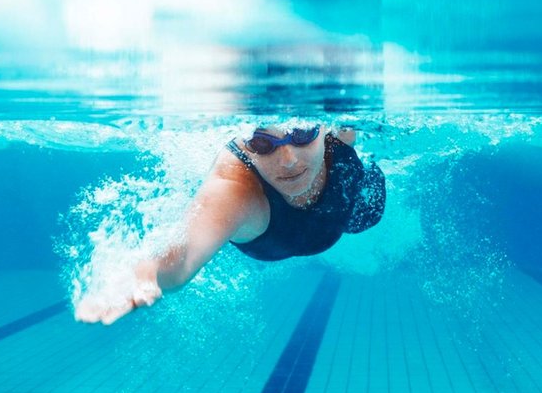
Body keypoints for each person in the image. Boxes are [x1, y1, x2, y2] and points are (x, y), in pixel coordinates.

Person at [74, 123, 385, 325]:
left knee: (368, 214)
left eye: (303, 134)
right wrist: (152, 270)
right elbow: (182, 257)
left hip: (350, 209)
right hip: (282, 233)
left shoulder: (340, 133)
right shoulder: (235, 189)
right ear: (244, 140)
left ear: (324, 127)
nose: (289, 160)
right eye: (263, 144)